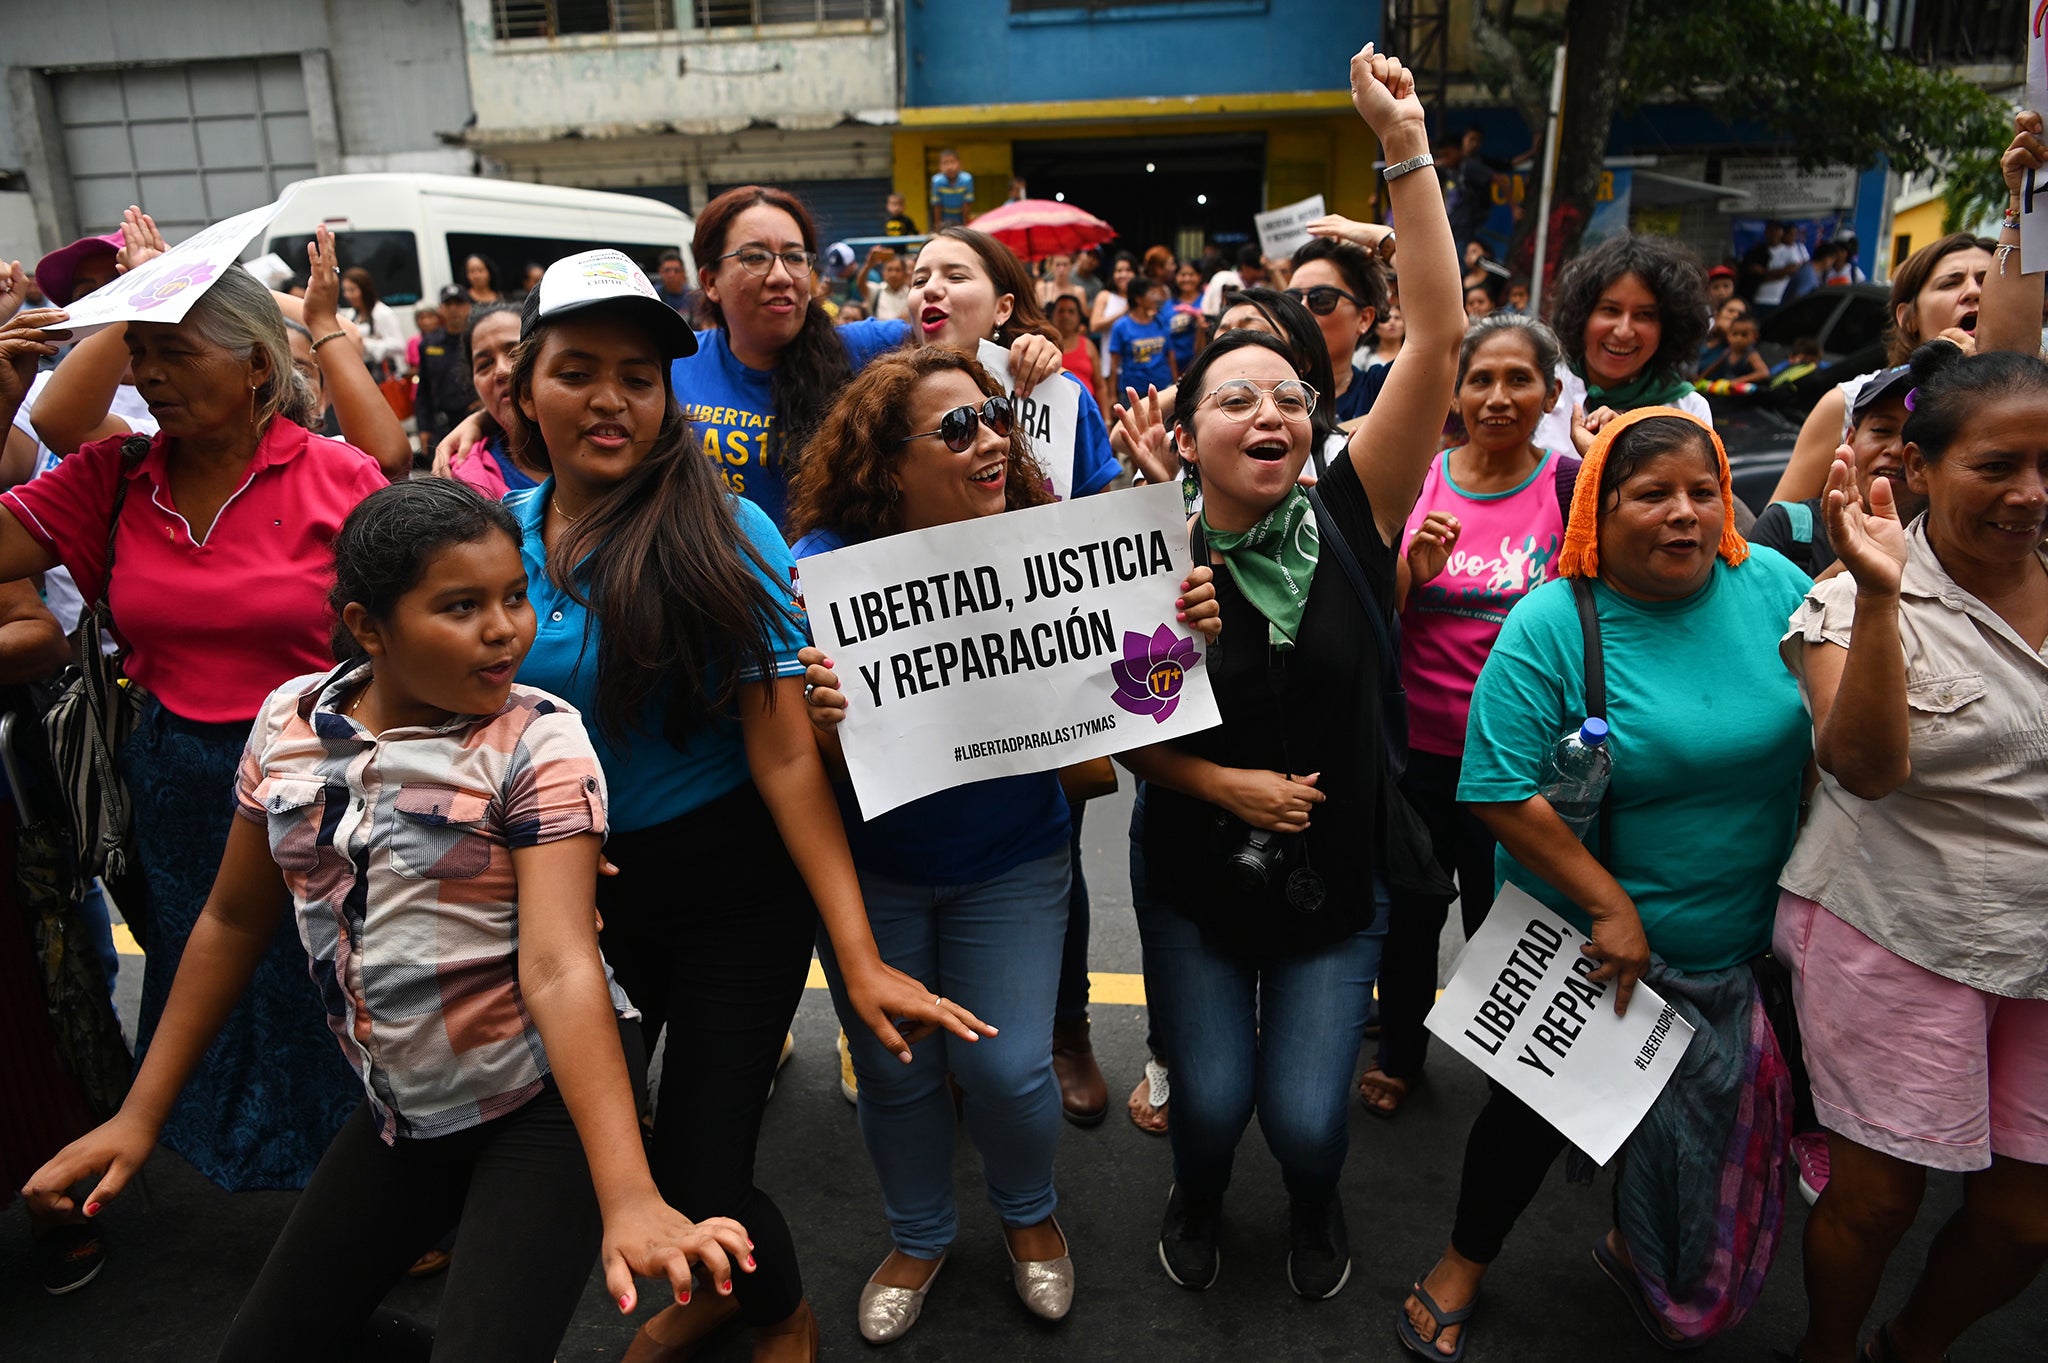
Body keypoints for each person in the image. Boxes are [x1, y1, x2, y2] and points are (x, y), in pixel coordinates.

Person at [22, 478, 758, 1362]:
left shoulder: (539, 740)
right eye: (461, 605)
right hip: (400, 1106)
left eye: (514, 596)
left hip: (542, 1100)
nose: (504, 628)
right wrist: (139, 1116)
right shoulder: (286, 722)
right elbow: (227, 918)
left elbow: (561, 965)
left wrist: (629, 1192)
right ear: (367, 625)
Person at [505, 252, 982, 1363]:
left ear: (669, 395)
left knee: (699, 1165)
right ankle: (718, 1281)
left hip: (730, 894)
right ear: (526, 386)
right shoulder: (493, 542)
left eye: (638, 373)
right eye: (577, 370)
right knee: (591, 1145)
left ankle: (774, 1307)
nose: (611, 398)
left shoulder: (729, 535)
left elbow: (783, 764)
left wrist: (855, 957)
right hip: (575, 905)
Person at [1122, 41, 1463, 1304]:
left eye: (1286, 394)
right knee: (1209, 1108)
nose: (1266, 412)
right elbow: (1119, 738)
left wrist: (1405, 145)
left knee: (1309, 1123)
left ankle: (1313, 1200)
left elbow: (1436, 330)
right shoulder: (1143, 552)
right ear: (1190, 432)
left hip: (1337, 884)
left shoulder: (1354, 507)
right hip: (1193, 878)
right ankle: (1198, 1193)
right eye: (1233, 398)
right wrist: (1186, 670)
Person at [785, 346, 1216, 1341]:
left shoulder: (1047, 542)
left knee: (1009, 1068)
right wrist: (813, 715)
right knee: (893, 1070)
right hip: (872, 873)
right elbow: (785, 756)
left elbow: (1147, 680)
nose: (988, 438)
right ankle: (921, 1233)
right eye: (956, 427)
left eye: (994, 418)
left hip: (1012, 862)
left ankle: (1029, 1219)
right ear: (887, 465)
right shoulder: (816, 573)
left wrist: (1190, 609)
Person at [1396, 408, 1812, 1359]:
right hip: (1590, 939)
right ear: (1596, 507)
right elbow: (1496, 790)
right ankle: (1462, 1261)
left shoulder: (1777, 587)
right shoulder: (1551, 620)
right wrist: (1611, 905)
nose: (1685, 514)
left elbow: (1830, 738)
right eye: (1651, 493)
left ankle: (1640, 1249)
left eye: (1703, 492)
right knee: (1533, 1116)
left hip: (1739, 937)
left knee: (1699, 1130)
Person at [0, 265, 386, 1194]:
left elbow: (404, 638)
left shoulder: (340, 475)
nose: (149, 375)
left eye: (174, 351)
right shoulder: (113, 476)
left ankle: (366, 1180)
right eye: (140, 353)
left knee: (334, 980)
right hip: (174, 778)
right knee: (211, 969)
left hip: (316, 778)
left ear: (257, 366)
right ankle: (243, 1150)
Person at [1776, 343, 2048, 1363]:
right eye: (1996, 467)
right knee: (1876, 1197)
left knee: (2025, 1219)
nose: (2028, 493)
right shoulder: (1842, 603)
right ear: (1922, 469)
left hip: (2038, 953)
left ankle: (1911, 1344)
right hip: (1898, 930)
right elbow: (1863, 766)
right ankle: (1827, 1348)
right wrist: (1885, 598)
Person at [1360, 313, 1577, 1118]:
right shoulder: (1420, 478)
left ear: (1551, 393)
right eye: (1480, 379)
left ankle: (1510, 1067)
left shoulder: (1568, 485)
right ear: (1453, 392)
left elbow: (1591, 617)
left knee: (1508, 918)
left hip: (1520, 762)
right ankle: (1402, 1054)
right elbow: (1369, 611)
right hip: (1416, 753)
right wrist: (1413, 571)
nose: (1497, 397)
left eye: (1519, 379)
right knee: (1410, 916)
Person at [1767, 233, 1992, 504]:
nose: (1974, 292)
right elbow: (1776, 530)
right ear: (1908, 318)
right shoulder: (1846, 402)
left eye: (1987, 281)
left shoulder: (2036, 400)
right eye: (1950, 283)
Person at [1532, 233, 1714, 459]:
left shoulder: (1688, 411)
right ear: (1582, 316)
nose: (1623, 331)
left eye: (1644, 315)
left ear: (1667, 327)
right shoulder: (1540, 388)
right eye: (1610, 310)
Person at [1288, 234, 1393, 422]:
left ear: (1364, 319)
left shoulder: (1381, 392)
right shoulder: (1259, 391)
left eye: (1321, 299)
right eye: (1292, 301)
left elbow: (1442, 333)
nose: (1302, 310)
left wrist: (1386, 242)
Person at [446, 302, 545, 499]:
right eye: (484, 364)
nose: (501, 371)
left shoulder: (606, 443)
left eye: (515, 353)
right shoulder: (464, 480)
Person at [415, 284, 479, 459]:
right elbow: (424, 389)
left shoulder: (479, 340)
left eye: (458, 304)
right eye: (448, 305)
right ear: (441, 309)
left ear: (468, 307)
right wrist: (424, 427)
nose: (454, 309)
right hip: (442, 424)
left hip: (476, 421)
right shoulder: (429, 344)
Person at [1105, 274, 1176, 404]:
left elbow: (1170, 355)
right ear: (1139, 299)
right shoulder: (1121, 326)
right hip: (1134, 393)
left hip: (1162, 389)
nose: (1156, 298)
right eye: (1151, 294)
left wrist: (1176, 384)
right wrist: (1112, 396)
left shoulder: (1160, 321)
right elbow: (1114, 365)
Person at [340, 267, 406, 372]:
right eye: (345, 290)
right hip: (360, 369)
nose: (347, 295)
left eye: (352, 290)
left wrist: (366, 344)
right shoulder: (351, 314)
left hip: (381, 373)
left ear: (365, 289)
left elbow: (399, 345)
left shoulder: (382, 313)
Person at [1048, 293, 1098, 411]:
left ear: (1078, 317)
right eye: (1061, 311)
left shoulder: (1088, 346)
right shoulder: (1044, 344)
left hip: (1085, 410)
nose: (1065, 316)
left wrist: (1106, 419)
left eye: (1071, 312)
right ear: (1052, 315)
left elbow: (1100, 386)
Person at [1200, 244, 1266, 317]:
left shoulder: (1259, 286)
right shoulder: (1225, 279)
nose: (1262, 274)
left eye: (1264, 270)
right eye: (1258, 269)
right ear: (1245, 266)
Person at [1701, 313, 1769, 384]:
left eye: (1744, 335)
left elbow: (1764, 373)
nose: (1738, 339)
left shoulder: (1751, 354)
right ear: (1728, 335)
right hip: (1726, 388)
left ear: (1755, 337)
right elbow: (1713, 367)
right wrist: (1699, 379)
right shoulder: (1728, 351)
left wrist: (1739, 380)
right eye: (1735, 334)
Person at [1165, 262, 1206, 372]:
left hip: (1201, 365)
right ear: (1176, 277)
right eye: (1182, 275)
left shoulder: (1207, 302)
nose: (1187, 278)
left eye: (1191, 274)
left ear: (1199, 277)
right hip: (1173, 367)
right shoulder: (1168, 305)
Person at [1089, 253, 1136, 338]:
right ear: (1112, 275)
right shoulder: (1105, 296)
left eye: (1128, 270)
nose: (1124, 275)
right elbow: (1094, 326)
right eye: (1119, 271)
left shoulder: (1141, 299)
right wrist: (1123, 313)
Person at [930, 149, 975, 229]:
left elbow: (967, 205)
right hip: (944, 217)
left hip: (960, 216)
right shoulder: (937, 181)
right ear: (940, 167)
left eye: (952, 162)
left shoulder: (967, 179)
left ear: (960, 164)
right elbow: (937, 206)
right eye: (945, 163)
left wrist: (966, 226)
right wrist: (938, 227)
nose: (949, 167)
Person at [865, 252, 912, 323]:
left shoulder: (911, 293)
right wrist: (868, 265)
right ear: (883, 273)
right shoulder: (877, 291)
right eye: (889, 270)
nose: (893, 274)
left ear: (905, 273)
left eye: (898, 270)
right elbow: (861, 284)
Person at [655, 249, 693, 314]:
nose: (671, 275)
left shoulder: (692, 297)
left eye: (676, 270)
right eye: (667, 270)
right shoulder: (654, 294)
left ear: (683, 272)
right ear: (660, 272)